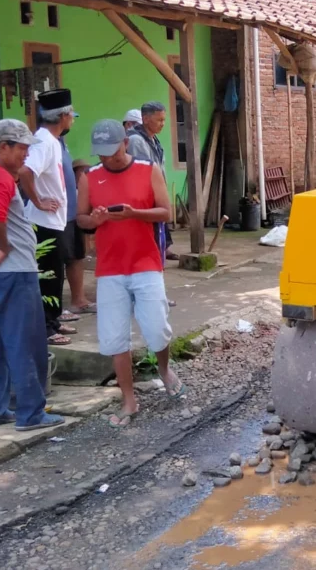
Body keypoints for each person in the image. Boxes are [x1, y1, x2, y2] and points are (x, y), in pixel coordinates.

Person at [77, 120, 181, 427]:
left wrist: (135, 214)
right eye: (101, 154)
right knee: (114, 337)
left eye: (111, 152)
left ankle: (164, 370)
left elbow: (166, 212)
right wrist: (94, 220)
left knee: (157, 327)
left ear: (125, 142)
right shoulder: (89, 177)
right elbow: (80, 220)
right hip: (109, 268)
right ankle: (128, 399)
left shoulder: (148, 170)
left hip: (146, 263)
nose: (106, 159)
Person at [0, 119, 64, 432]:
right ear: (3, 147)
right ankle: (31, 413)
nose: (25, 154)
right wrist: (5, 248)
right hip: (14, 271)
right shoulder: (0, 177)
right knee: (26, 342)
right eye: (21, 148)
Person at [19, 89, 77, 345]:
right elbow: (25, 172)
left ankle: (52, 319)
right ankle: (46, 328)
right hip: (43, 222)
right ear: (64, 116)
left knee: (56, 272)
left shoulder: (52, 140)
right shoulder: (43, 142)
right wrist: (37, 200)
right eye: (71, 115)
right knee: (49, 276)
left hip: (54, 221)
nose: (73, 120)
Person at [125, 101, 178, 261]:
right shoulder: (136, 140)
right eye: (159, 120)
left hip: (155, 195)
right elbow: (141, 172)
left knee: (158, 237)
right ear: (146, 119)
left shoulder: (152, 139)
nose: (163, 124)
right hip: (144, 199)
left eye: (164, 120)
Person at [58, 132, 94, 318]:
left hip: (72, 214)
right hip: (58, 215)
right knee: (59, 261)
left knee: (77, 256)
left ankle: (78, 300)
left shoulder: (62, 143)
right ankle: (56, 310)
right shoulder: (47, 143)